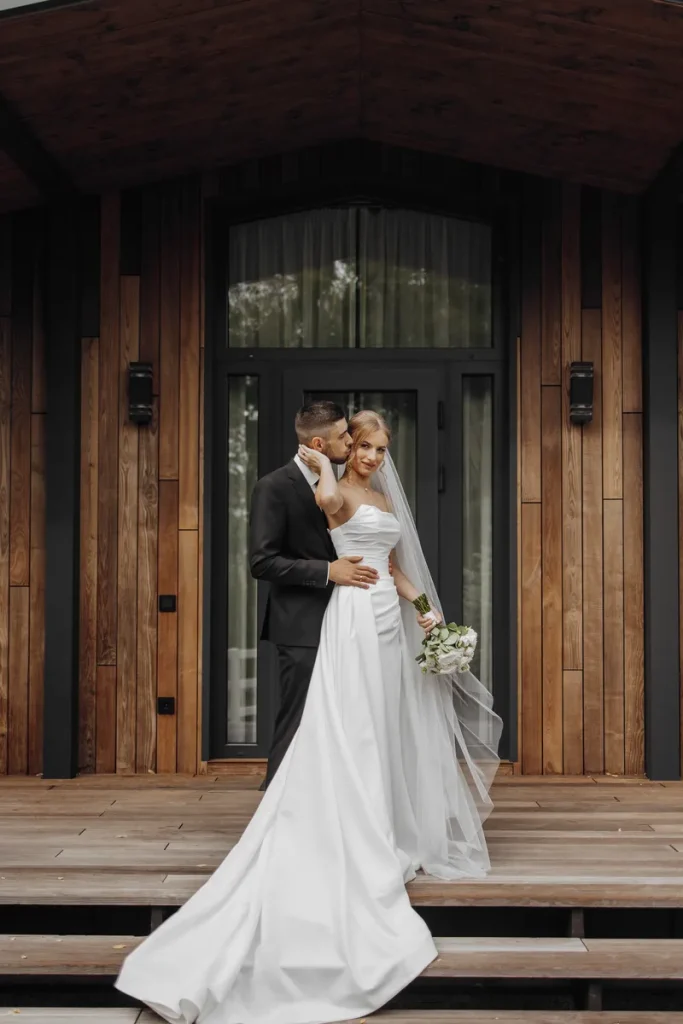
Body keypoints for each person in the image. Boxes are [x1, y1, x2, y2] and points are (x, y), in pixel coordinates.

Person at [115, 408, 501, 1024]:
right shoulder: (325, 487)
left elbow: (398, 566)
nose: (367, 452)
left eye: (375, 445)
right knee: (336, 724)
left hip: (383, 619)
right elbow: (285, 541)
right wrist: (323, 466)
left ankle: (379, 818)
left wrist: (427, 611)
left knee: (381, 723)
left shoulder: (376, 492)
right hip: (342, 612)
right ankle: (312, 815)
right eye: (359, 442)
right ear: (332, 444)